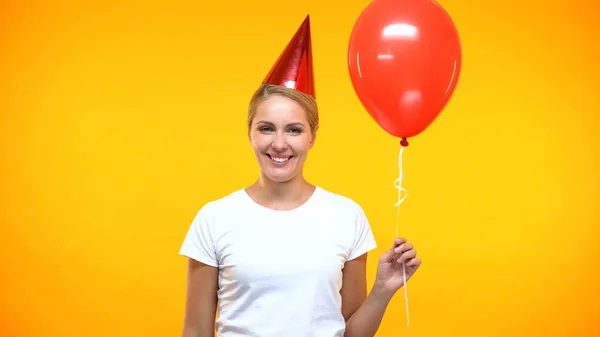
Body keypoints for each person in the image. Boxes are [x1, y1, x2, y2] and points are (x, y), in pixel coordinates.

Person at [179, 15, 421, 337]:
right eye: (266, 128)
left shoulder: (347, 216)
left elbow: (351, 333)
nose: (279, 144)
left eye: (294, 130)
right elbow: (195, 331)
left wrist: (383, 289)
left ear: (312, 137)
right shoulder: (214, 218)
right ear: (250, 133)